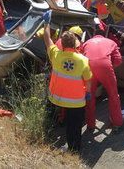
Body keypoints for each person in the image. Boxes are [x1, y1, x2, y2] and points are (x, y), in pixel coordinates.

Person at [41, 11, 92, 153]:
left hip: (56, 97)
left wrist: (46, 23)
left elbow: (47, 39)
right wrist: (87, 93)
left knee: (51, 111)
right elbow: (88, 81)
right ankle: (74, 149)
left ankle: (47, 132)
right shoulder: (83, 60)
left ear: (62, 44)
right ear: (76, 44)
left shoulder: (56, 55)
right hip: (76, 101)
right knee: (74, 126)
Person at [81, 29, 124, 130]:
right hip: (105, 65)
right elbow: (118, 60)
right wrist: (108, 69)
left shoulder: (86, 43)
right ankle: (117, 123)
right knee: (113, 95)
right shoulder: (111, 42)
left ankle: (90, 124)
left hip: (88, 65)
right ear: (104, 36)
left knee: (89, 96)